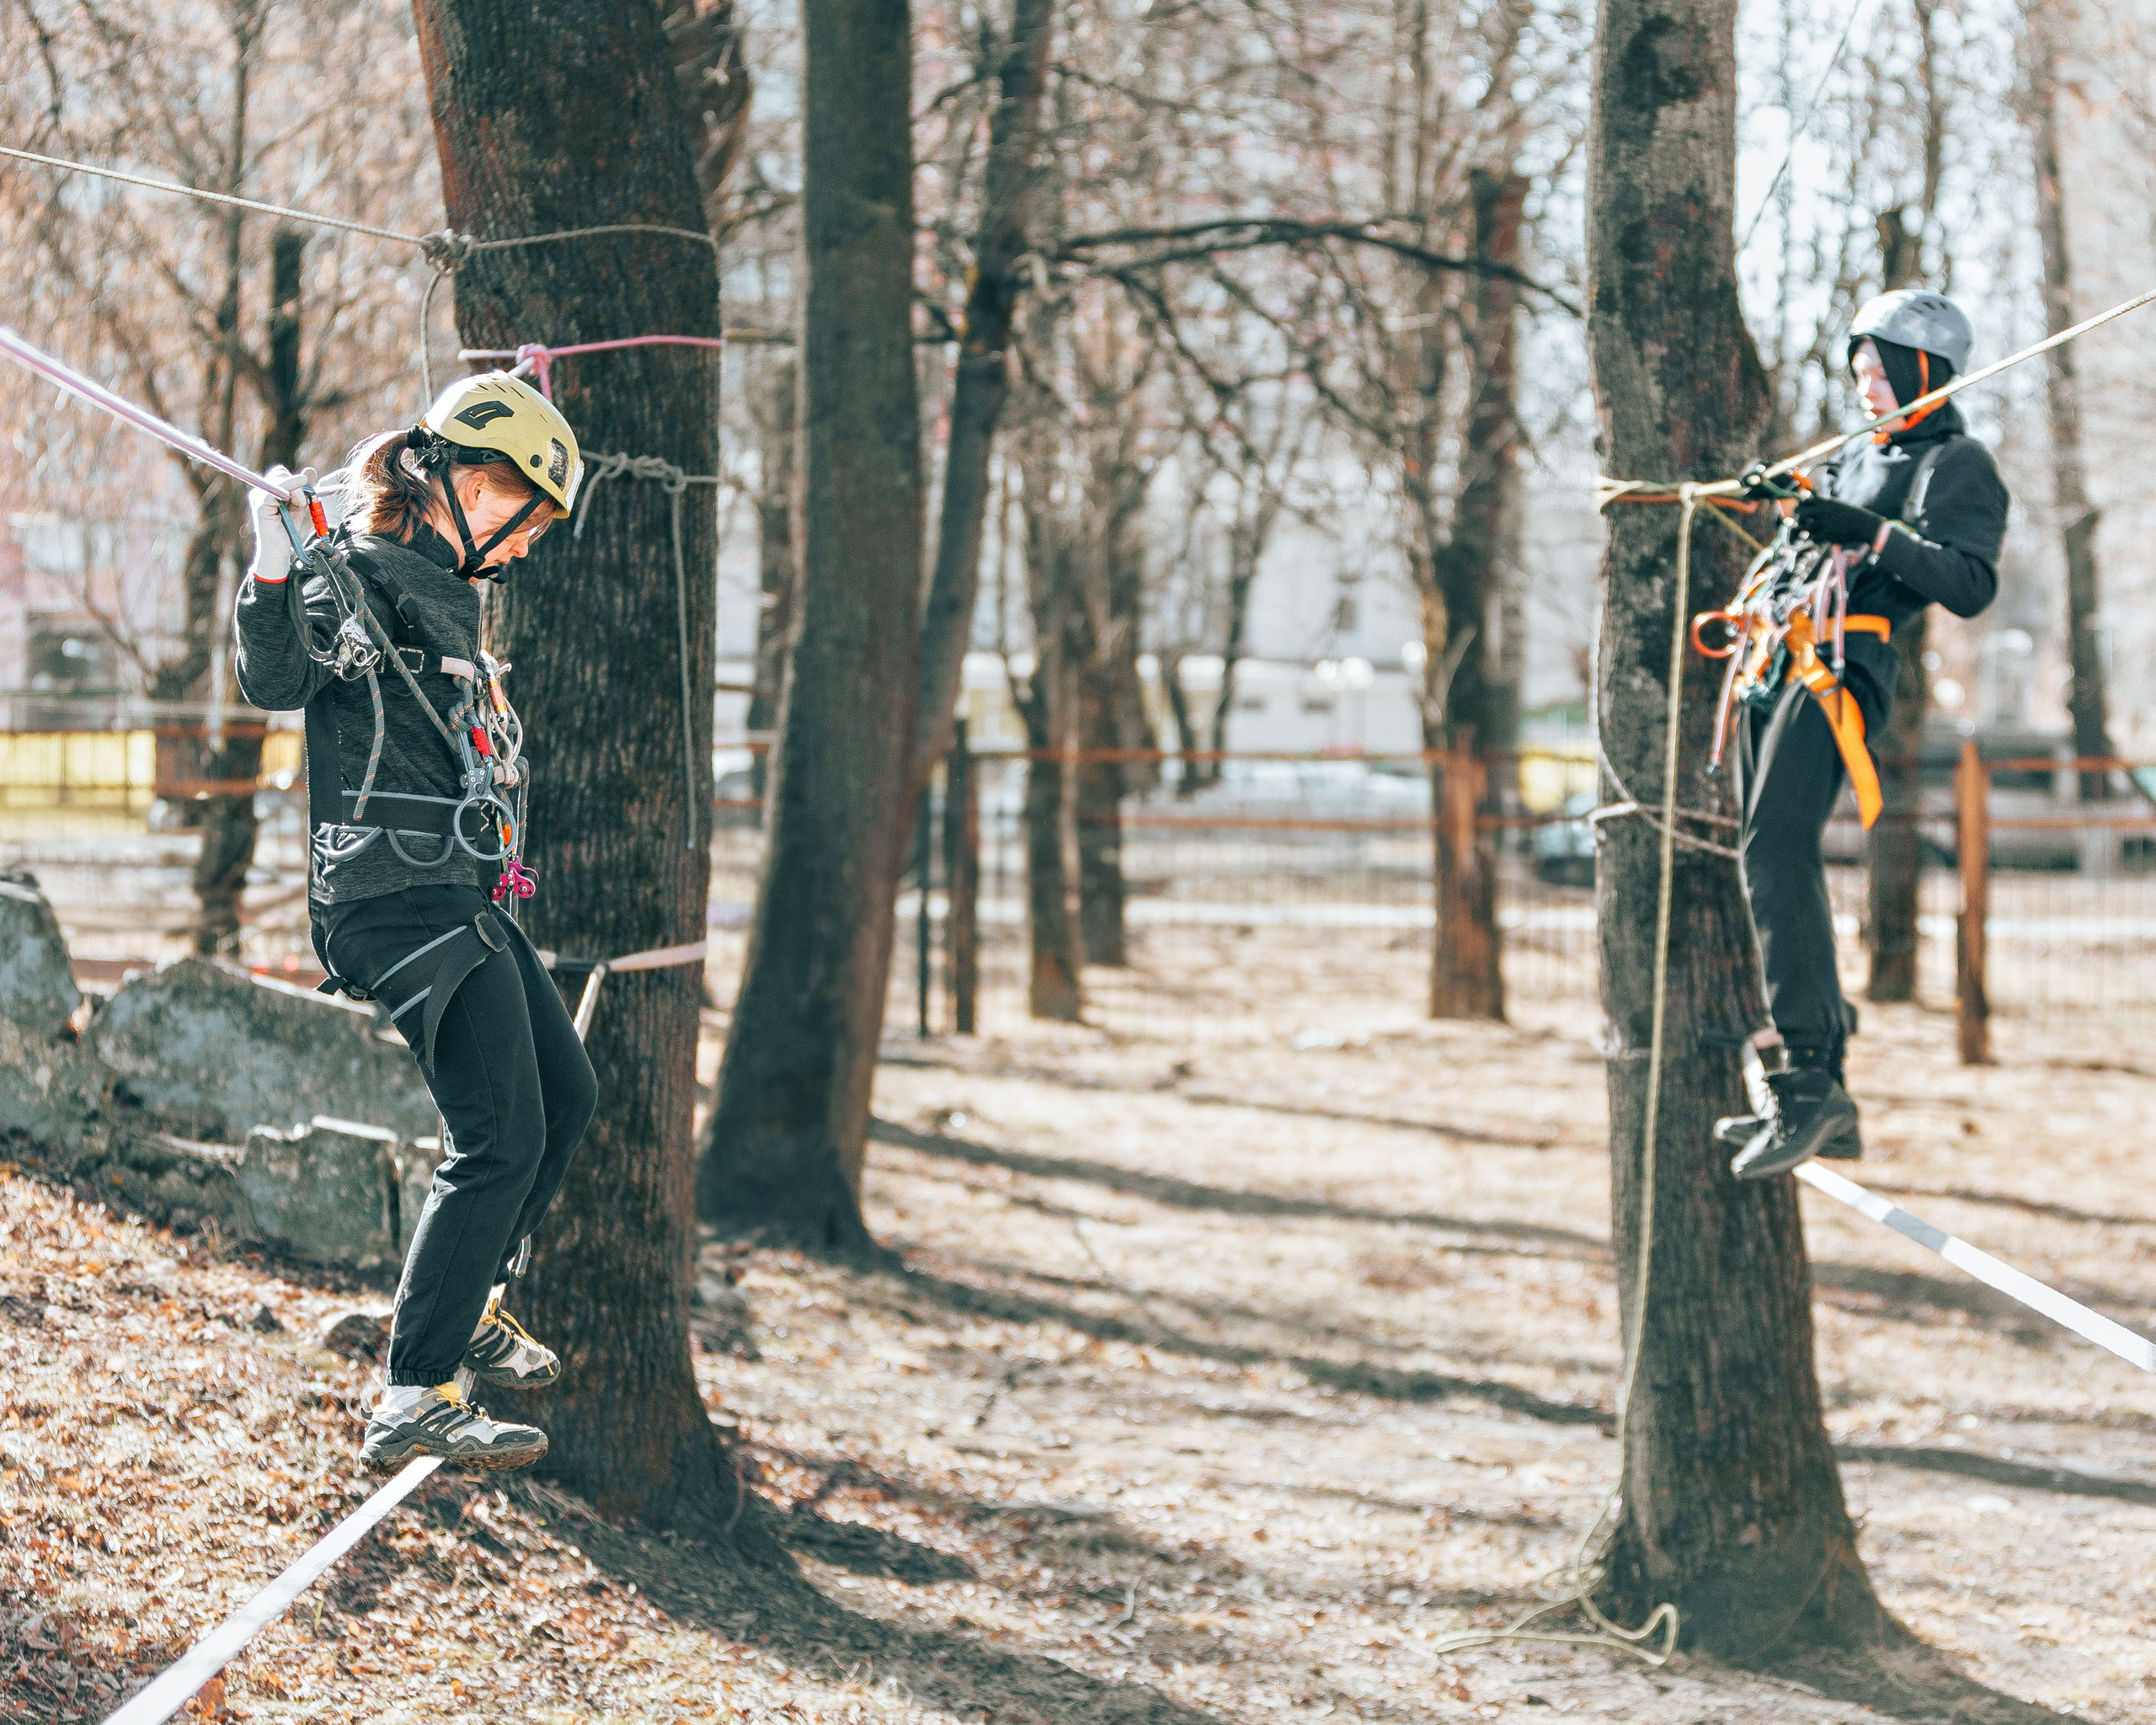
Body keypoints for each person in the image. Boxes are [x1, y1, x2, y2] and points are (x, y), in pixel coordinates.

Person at [234, 373, 599, 1469]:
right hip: (389, 898)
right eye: (529, 520)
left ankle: (470, 1298)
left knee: (564, 1100)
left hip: (456, 895)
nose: (531, 547)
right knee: (497, 1135)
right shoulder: (354, 576)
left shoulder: (444, 590)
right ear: (477, 486)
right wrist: (272, 562)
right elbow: (278, 677)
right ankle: (414, 1390)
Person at [1721, 289, 2009, 1180]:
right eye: (1857, 371)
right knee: (1753, 851)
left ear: (1925, 369)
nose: (1866, 385)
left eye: (1881, 369)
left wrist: (1872, 532)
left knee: (1775, 848)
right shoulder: (1856, 455)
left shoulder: (1956, 464)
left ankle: (1807, 1075)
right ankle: (1822, 1090)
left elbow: (1965, 582)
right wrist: (1801, 505)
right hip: (1782, 654)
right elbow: (1832, 538)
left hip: (1845, 667)